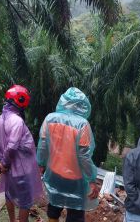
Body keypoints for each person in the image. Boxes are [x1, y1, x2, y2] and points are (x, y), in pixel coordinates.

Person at [37, 87, 99, 222]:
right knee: (75, 214)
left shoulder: (49, 119)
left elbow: (42, 146)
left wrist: (40, 165)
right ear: (82, 105)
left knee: (53, 209)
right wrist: (92, 179)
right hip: (75, 179)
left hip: (54, 174)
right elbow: (84, 156)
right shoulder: (83, 124)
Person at [0, 85, 43, 222]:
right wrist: (4, 163)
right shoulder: (17, 121)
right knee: (25, 202)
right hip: (21, 169)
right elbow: (12, 145)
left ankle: (12, 220)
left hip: (8, 168)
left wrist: (2, 162)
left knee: (9, 194)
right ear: (21, 101)